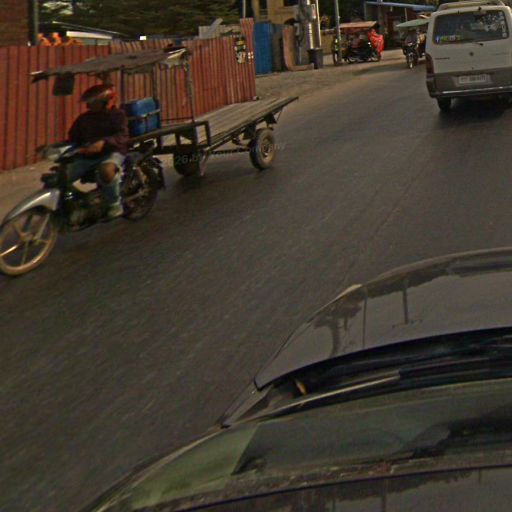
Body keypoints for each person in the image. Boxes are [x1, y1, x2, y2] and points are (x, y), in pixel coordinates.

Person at [67, 84, 129, 219]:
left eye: (93, 102)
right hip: (88, 155)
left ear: (105, 102)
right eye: (89, 103)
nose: (89, 105)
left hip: (113, 152)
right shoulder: (83, 119)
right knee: (63, 174)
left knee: (106, 170)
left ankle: (115, 204)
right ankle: (76, 204)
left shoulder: (118, 115)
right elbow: (73, 137)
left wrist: (104, 142)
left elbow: (123, 136)